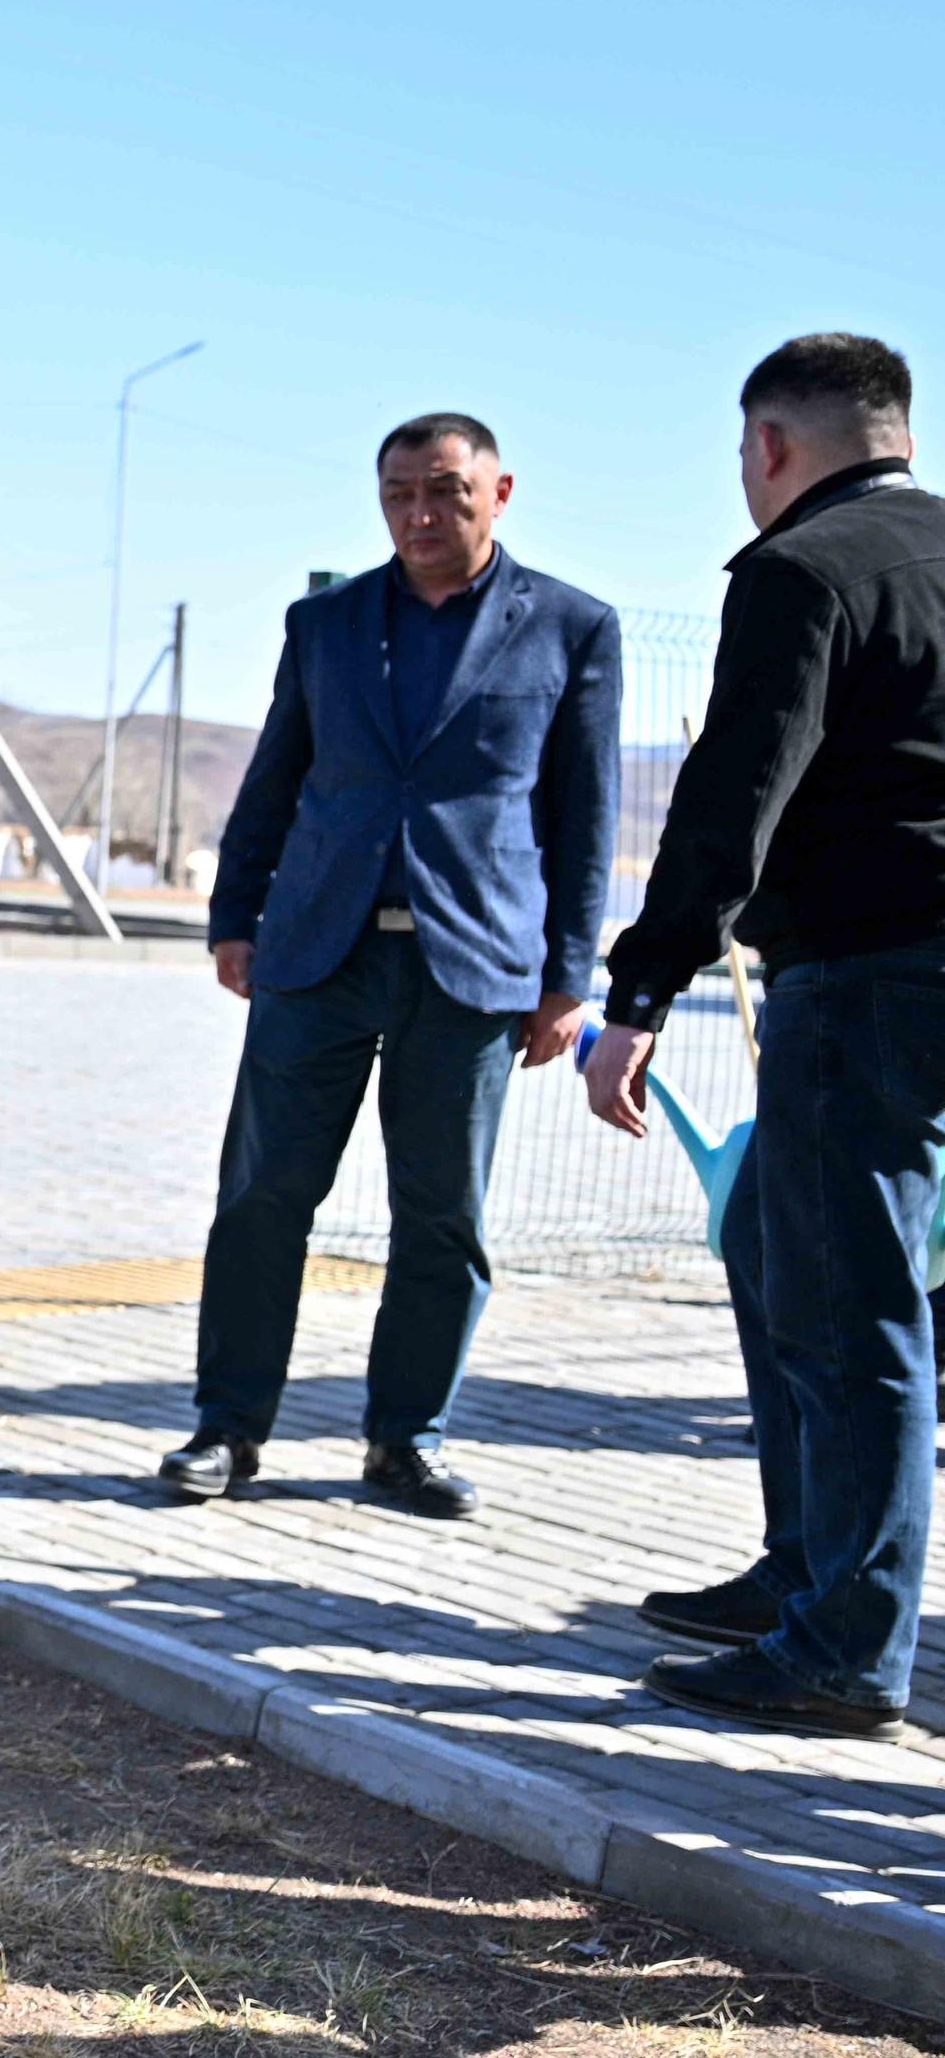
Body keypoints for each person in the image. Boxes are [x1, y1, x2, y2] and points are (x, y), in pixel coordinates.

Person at [587, 333, 945, 1739]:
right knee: (776, 1255)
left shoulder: (805, 570)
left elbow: (735, 791)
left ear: (775, 447)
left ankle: (845, 1649)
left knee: (849, 1305)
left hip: (864, 974)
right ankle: (809, 1569)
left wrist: (643, 987)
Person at [162, 416, 618, 1518]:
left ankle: (406, 1439)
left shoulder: (569, 627)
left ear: (497, 492)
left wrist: (568, 976)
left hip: (471, 973)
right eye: (397, 494)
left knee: (441, 1217)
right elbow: (273, 776)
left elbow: (583, 814)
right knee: (261, 1198)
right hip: (316, 954)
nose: (419, 515)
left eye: (444, 493)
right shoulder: (322, 624)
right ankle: (226, 1428)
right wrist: (236, 915)